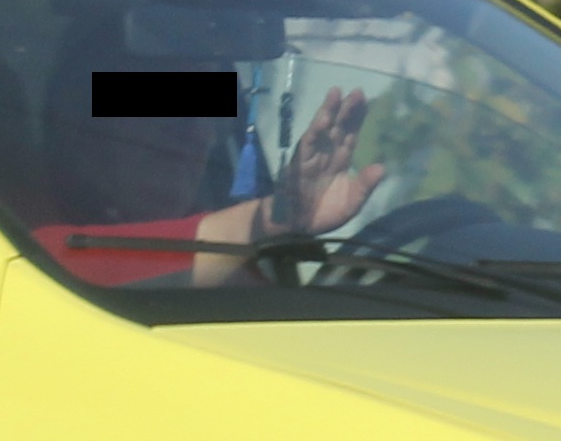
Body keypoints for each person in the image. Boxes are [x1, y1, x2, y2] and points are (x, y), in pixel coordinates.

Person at [32, 73, 380, 288]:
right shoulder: (19, 254)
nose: (197, 134)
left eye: (210, 115)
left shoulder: (248, 272)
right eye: (166, 107)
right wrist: (272, 217)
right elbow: (64, 265)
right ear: (83, 133)